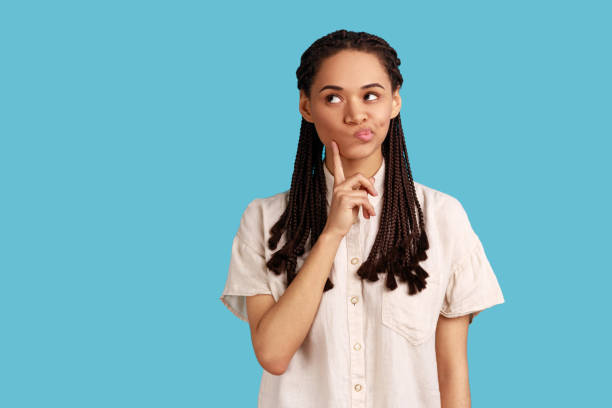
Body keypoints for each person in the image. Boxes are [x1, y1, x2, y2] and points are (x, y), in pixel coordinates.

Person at [219, 29, 504, 408]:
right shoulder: (263, 218)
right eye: (333, 97)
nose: (356, 114)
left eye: (371, 95)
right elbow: (272, 354)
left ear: (395, 101)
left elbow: (452, 374)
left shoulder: (442, 217)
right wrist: (332, 234)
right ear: (306, 107)